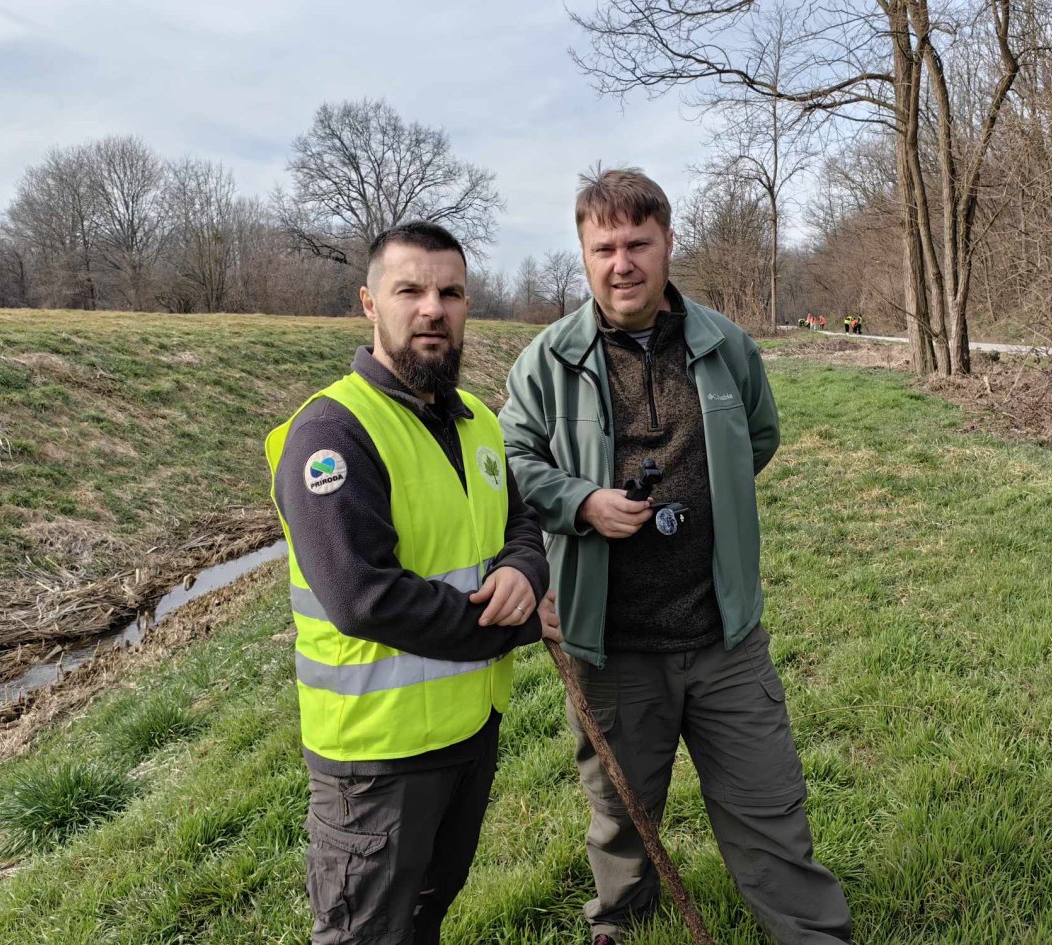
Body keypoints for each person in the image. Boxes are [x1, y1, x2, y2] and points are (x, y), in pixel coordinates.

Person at [500, 168, 851, 945]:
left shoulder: (725, 345)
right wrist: (581, 502)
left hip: (724, 636)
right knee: (621, 812)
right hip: (611, 640)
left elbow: (759, 436)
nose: (621, 262)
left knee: (769, 806)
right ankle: (621, 922)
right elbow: (511, 460)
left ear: (667, 243)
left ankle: (809, 933)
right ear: (584, 255)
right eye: (604, 247)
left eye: (637, 243)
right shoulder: (548, 361)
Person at [265, 221, 560, 945]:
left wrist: (524, 567)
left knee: (427, 911)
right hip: (377, 760)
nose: (433, 307)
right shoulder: (332, 433)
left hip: (468, 728)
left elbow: (518, 521)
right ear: (371, 304)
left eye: (450, 292)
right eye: (410, 290)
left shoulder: (478, 424)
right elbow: (366, 596)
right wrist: (515, 621)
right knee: (367, 931)